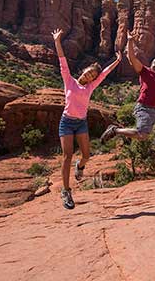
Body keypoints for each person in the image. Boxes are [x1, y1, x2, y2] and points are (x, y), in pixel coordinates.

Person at [53, 28, 122, 210]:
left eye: (92, 75)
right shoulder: (69, 80)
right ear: (83, 71)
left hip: (81, 123)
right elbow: (62, 62)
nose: (88, 76)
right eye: (88, 73)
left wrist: (118, 61)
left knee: (86, 156)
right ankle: (66, 191)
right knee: (66, 155)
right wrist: (57, 41)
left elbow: (105, 73)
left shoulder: (90, 88)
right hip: (67, 122)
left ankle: (80, 166)